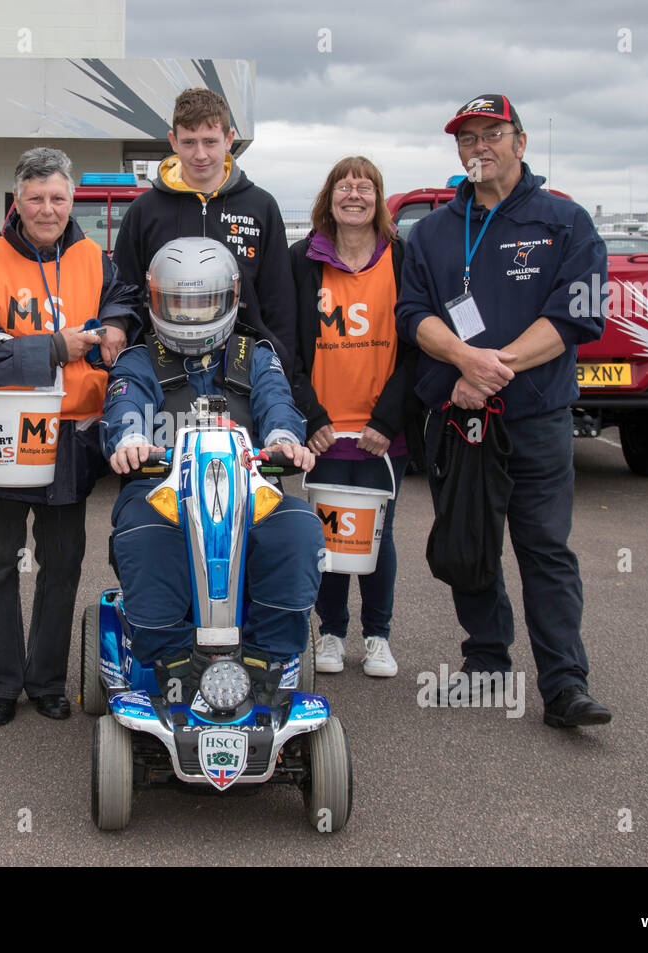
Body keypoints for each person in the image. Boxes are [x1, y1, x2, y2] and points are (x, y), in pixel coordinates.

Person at [394, 93, 612, 728]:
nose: (479, 147)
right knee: (471, 544)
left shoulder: (566, 222)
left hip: (536, 418)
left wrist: (494, 369)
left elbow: (580, 315)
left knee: (545, 548)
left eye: (492, 134)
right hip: (459, 422)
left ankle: (565, 684)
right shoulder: (431, 232)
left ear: (521, 142)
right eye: (468, 138)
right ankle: (486, 665)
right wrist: (464, 360)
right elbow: (413, 317)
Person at [0, 147, 139, 727]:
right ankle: (0, 685)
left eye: (57, 197)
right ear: (18, 201)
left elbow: (122, 307)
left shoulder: (96, 260)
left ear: (71, 198)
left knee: (63, 563)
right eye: (35, 198)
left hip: (71, 439)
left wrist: (119, 325)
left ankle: (47, 679)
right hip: (4, 436)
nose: (47, 209)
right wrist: (58, 347)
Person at [103, 237, 323, 702]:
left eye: (203, 302)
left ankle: (267, 659)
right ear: (155, 300)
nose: (190, 316)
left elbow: (279, 406)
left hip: (252, 491)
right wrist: (129, 440)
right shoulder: (139, 360)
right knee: (142, 535)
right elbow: (124, 406)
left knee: (299, 529)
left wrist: (285, 440)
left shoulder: (256, 357)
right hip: (161, 493)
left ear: (231, 298)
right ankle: (174, 661)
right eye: (178, 304)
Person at [290, 156, 421, 679]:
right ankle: (332, 633)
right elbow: (287, 345)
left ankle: (378, 637)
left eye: (365, 188)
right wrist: (312, 415)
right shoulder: (301, 259)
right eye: (344, 186)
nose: (354, 195)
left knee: (377, 534)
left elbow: (420, 347)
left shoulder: (404, 260)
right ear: (329, 197)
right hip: (324, 431)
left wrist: (387, 421)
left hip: (381, 433)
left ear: (379, 199)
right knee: (325, 536)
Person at [112, 87, 298, 374]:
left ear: (229, 139)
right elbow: (124, 289)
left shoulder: (260, 206)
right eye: (189, 142)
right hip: (161, 365)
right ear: (173, 141)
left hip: (244, 363)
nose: (200, 154)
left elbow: (279, 300)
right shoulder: (145, 210)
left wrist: (282, 363)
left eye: (210, 141)